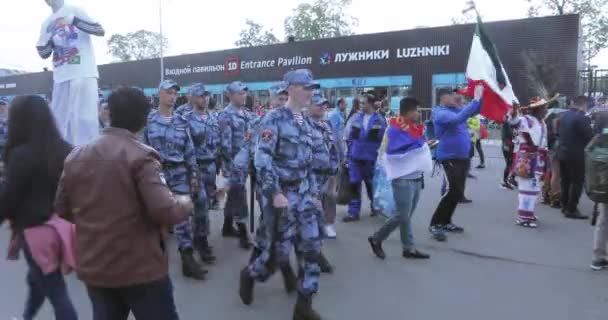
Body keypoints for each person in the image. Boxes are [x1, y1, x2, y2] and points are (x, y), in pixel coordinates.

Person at [55, 87, 192, 319]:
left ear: (109, 114)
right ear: (144, 118)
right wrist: (185, 201)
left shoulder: (75, 156)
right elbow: (164, 210)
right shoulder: (142, 156)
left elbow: (62, 208)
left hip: (96, 266)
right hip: (140, 268)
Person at [239, 69, 323, 320]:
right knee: (277, 255)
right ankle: (251, 274)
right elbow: (263, 159)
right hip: (283, 196)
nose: (311, 92)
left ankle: (304, 305)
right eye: (306, 87)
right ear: (291, 89)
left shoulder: (307, 122)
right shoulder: (273, 119)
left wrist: (315, 193)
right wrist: (274, 192)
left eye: (312, 88)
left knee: (311, 250)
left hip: (305, 195)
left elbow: (309, 164)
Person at [0, 95, 77, 320]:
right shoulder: (65, 149)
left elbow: (9, 197)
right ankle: (26, 317)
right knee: (37, 281)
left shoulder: (21, 154)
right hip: (61, 228)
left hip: (35, 232)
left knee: (55, 290)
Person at [143, 79, 207, 280]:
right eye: (168, 92)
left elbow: (189, 152)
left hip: (179, 173)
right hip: (156, 174)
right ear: (159, 94)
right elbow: (141, 150)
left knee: (182, 215)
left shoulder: (182, 122)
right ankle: (148, 259)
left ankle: (187, 258)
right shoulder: (148, 121)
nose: (172, 96)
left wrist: (194, 175)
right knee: (152, 216)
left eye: (175, 93)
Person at [368, 97, 432, 260]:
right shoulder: (395, 128)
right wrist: (419, 148)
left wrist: (425, 146)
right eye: (417, 110)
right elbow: (394, 151)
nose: (418, 114)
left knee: (406, 216)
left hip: (416, 176)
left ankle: (408, 248)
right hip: (403, 178)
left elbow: (414, 146)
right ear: (409, 111)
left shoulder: (412, 127)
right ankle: (376, 238)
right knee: (402, 215)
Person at [37, 0, 105, 146]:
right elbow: (43, 52)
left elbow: (99, 30)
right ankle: (64, 161)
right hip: (61, 76)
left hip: (83, 71)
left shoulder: (75, 9)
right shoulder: (46, 23)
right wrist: (51, 41)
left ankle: (87, 158)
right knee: (59, 122)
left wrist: (74, 20)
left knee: (84, 120)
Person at [428, 86, 482, 242]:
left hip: (462, 157)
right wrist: (476, 99)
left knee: (458, 192)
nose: (455, 98)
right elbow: (458, 119)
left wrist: (481, 97)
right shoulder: (440, 113)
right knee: (452, 190)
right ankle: (436, 223)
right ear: (443, 97)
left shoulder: (455, 110)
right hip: (449, 157)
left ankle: (446, 221)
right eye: (452, 96)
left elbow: (474, 111)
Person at [183, 83, 216, 264]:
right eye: (201, 96)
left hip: (211, 167)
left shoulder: (213, 118)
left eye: (207, 96)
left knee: (205, 205)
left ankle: (199, 236)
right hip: (195, 167)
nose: (205, 99)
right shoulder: (185, 119)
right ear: (194, 98)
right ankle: (201, 241)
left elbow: (218, 143)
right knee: (200, 204)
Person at [218, 81, 253, 249]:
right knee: (239, 195)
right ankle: (243, 233)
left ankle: (226, 226)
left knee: (233, 194)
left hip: (245, 162)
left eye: (244, 93)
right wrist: (233, 167)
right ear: (230, 96)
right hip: (234, 163)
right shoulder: (226, 115)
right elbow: (225, 146)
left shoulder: (246, 114)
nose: (243, 96)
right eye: (239, 93)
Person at [343, 93, 387, 222]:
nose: (360, 105)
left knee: (372, 185)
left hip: (371, 159)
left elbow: (383, 141)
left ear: (371, 104)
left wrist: (382, 158)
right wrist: (347, 155)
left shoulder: (380, 119)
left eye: (363, 103)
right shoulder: (355, 118)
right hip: (355, 157)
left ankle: (375, 207)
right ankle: (353, 213)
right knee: (354, 184)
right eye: (360, 103)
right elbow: (348, 137)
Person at [307, 93, 339, 271]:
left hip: (325, 178)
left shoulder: (326, 125)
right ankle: (314, 255)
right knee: (311, 217)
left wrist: (333, 178)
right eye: (318, 105)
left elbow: (334, 151)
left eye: (324, 105)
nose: (322, 108)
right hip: (309, 180)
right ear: (309, 106)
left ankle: (316, 253)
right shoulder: (302, 126)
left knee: (316, 218)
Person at [509, 97, 550, 228]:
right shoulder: (526, 120)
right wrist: (514, 111)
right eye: (544, 108)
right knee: (527, 188)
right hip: (527, 160)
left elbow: (542, 141)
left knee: (534, 188)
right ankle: (523, 217)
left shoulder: (542, 122)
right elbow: (514, 121)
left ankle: (528, 212)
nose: (546, 110)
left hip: (538, 159)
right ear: (537, 109)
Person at [558, 95, 594, 219]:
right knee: (577, 181)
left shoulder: (563, 116)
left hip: (562, 152)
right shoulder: (582, 118)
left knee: (565, 180)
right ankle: (572, 208)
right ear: (584, 104)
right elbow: (590, 137)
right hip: (576, 155)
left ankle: (564, 205)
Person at [500, 113, 517, 190]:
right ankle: (505, 181)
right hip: (507, 146)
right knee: (509, 163)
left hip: (510, 145)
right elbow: (506, 136)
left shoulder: (509, 124)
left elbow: (511, 134)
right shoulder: (506, 123)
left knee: (511, 163)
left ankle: (508, 180)